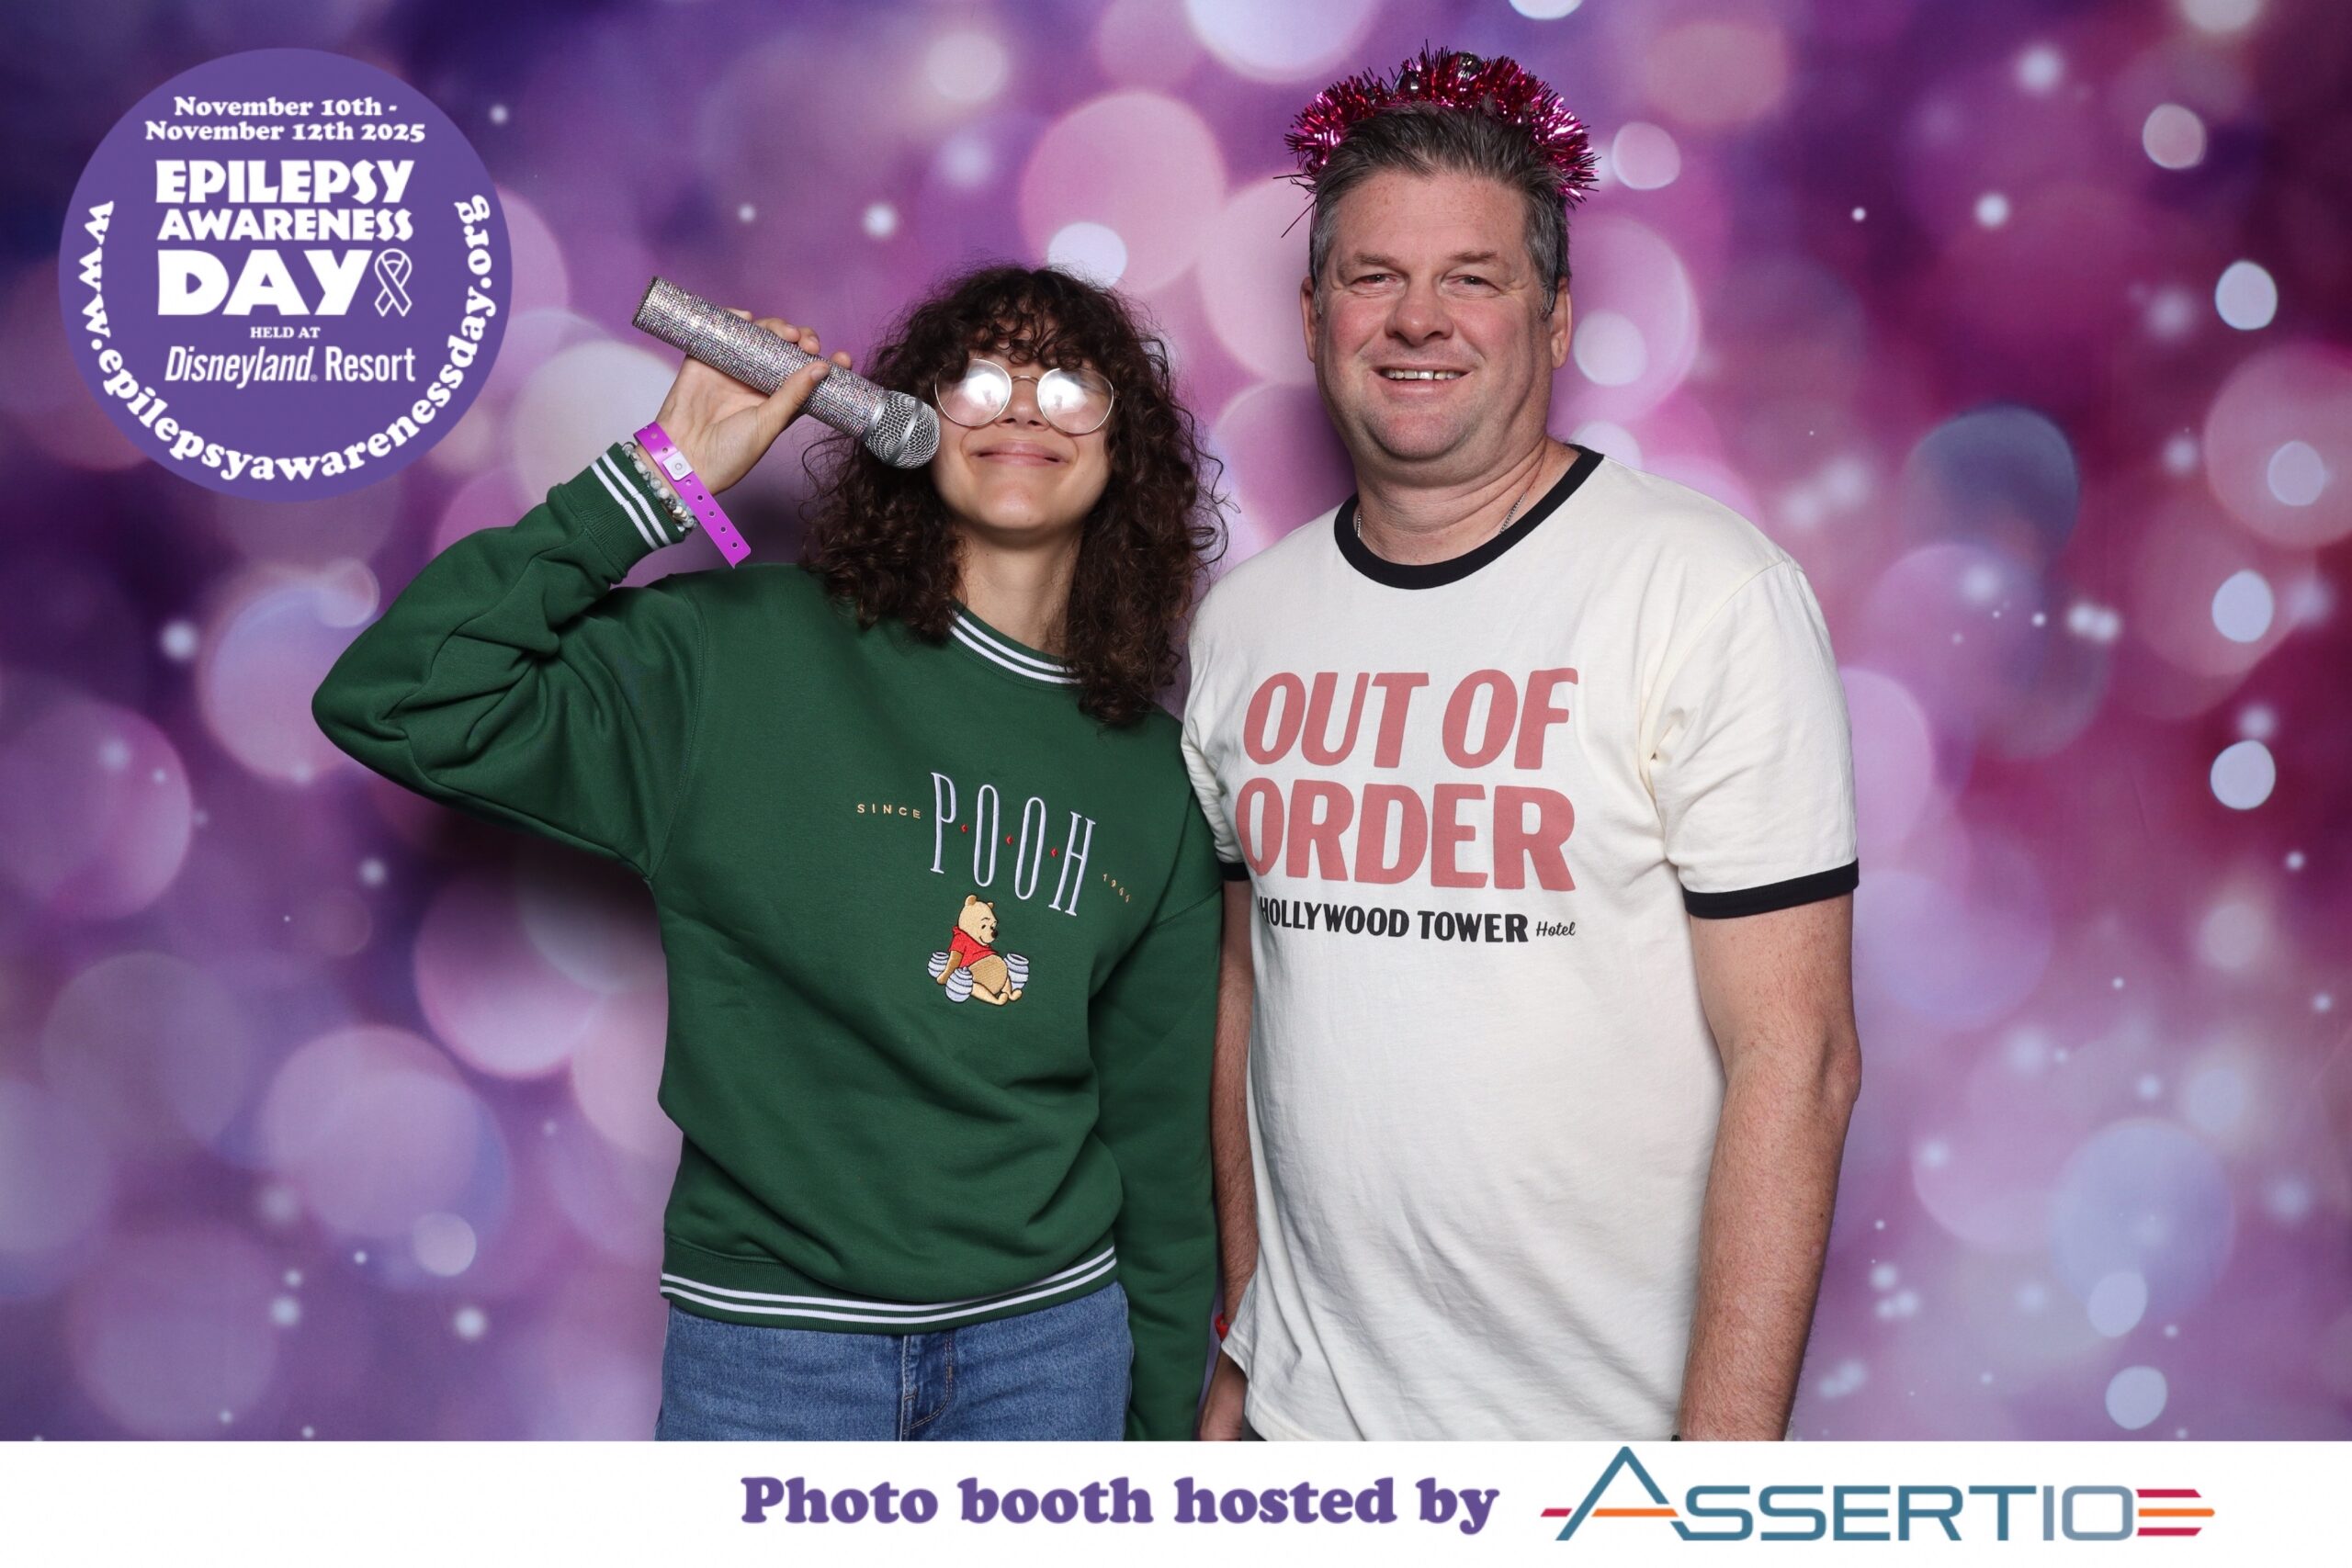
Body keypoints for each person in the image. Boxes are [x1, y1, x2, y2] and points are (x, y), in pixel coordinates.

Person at [313, 264, 1228, 1440]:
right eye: (981, 379)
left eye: (1067, 387)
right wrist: (660, 474)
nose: (1020, 406)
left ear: (1124, 451)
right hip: (771, 1352)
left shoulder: (1153, 782)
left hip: (1050, 1355)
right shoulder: (735, 658)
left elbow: (1158, 1147)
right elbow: (398, 699)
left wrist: (1154, 1452)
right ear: (907, 425)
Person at [1184, 50, 1863, 1441]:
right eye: (1373, 276)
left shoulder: (1703, 594)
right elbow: (1253, 990)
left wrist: (1710, 1498)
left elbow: (1796, 1059)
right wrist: (1247, 1344)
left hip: (1597, 1450)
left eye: (1473, 278)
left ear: (1553, 322)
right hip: (1305, 1442)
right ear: (1312, 316)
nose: (1416, 318)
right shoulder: (1245, 625)